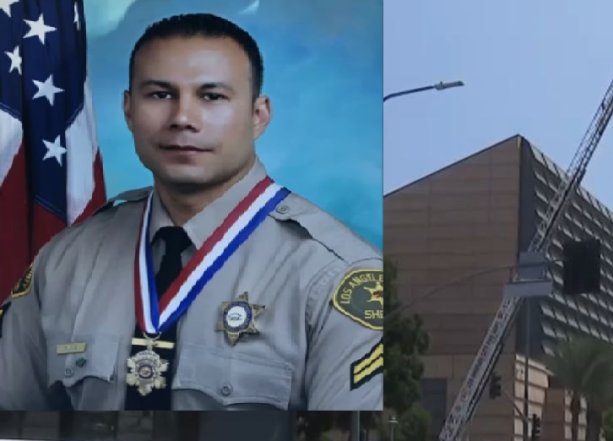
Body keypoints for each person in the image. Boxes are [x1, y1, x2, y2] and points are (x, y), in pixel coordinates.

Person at [0, 13, 382, 411]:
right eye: (160, 95)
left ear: (258, 115)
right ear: (129, 110)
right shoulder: (64, 262)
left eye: (211, 96)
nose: (182, 118)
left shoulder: (335, 275)